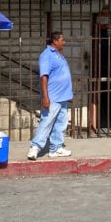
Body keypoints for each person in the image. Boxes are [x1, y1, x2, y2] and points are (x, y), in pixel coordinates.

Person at [28, 31, 73, 160]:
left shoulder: (58, 54)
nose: (64, 42)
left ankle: (56, 148)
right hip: (53, 96)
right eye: (62, 40)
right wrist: (45, 97)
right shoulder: (47, 55)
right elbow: (44, 77)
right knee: (46, 121)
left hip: (63, 96)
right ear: (55, 41)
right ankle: (35, 147)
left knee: (60, 123)